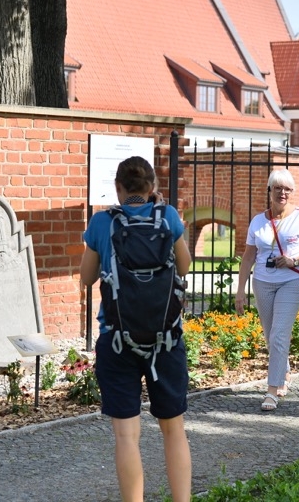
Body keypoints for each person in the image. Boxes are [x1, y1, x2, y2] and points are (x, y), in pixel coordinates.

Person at [80, 156, 192, 502]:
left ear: (118, 188)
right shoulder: (169, 217)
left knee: (127, 435)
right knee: (173, 429)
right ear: (152, 188)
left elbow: (86, 277)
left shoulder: (102, 223)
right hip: (166, 339)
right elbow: (185, 268)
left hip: (117, 339)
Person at [234, 169, 299, 411]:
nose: (282, 193)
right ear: (270, 191)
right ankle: (283, 370)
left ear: (291, 192)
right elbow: (248, 257)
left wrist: (294, 260)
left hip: (292, 280)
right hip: (262, 281)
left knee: (279, 334)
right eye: (277, 188)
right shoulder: (257, 221)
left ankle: (272, 390)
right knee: (270, 333)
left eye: (287, 189)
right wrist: (240, 290)